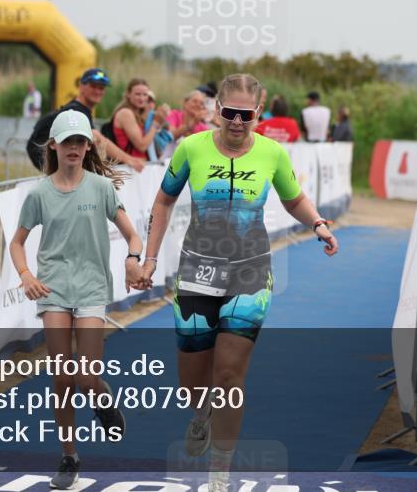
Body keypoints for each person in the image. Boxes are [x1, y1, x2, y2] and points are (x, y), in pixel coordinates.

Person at [139, 73, 339, 492]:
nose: (235, 122)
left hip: (249, 270)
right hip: (197, 269)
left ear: (258, 114)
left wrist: (317, 222)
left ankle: (220, 471)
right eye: (228, 113)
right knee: (194, 379)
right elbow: (163, 199)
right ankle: (200, 415)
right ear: (216, 111)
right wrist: (150, 257)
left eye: (244, 115)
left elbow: (293, 197)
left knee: (229, 374)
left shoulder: (271, 153)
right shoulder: (191, 148)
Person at [9, 109, 145, 489]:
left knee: (84, 375)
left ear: (88, 146)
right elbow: (16, 243)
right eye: (66, 141)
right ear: (53, 145)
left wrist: (133, 261)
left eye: (80, 141)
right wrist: (25, 276)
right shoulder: (38, 194)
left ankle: (103, 399)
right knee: (62, 378)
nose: (73, 147)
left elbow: (133, 236)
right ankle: (69, 456)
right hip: (53, 290)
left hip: (90, 288)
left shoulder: (102, 189)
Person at [26, 68, 144, 172]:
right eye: (93, 86)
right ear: (81, 86)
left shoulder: (81, 109)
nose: (98, 91)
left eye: (101, 88)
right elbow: (97, 139)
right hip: (43, 152)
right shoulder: (76, 109)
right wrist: (129, 160)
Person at [110, 78, 168, 161]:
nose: (142, 99)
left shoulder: (138, 114)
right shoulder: (126, 113)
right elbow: (142, 146)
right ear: (128, 94)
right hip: (130, 168)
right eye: (138, 94)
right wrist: (155, 123)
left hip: (141, 167)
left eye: (145, 95)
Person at [143, 90, 174, 161]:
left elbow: (167, 126)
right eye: (147, 101)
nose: (149, 104)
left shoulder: (155, 114)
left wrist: (161, 122)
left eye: (152, 101)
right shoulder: (139, 117)